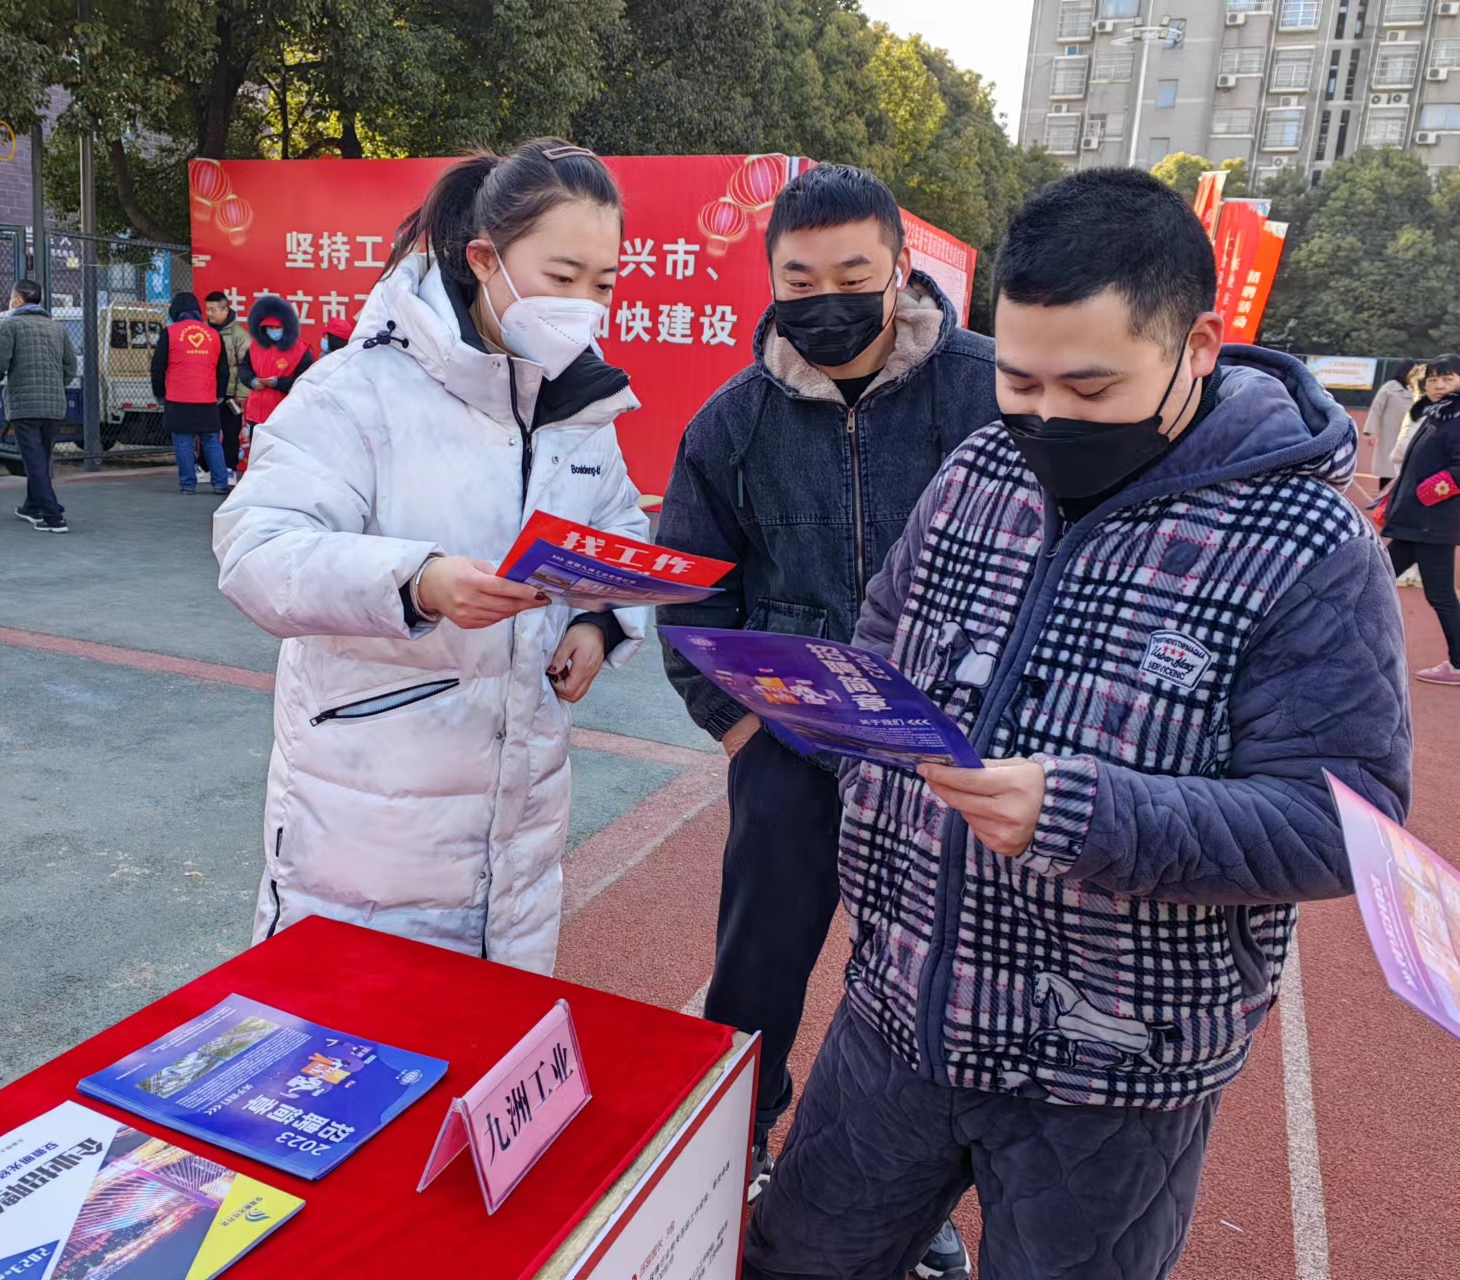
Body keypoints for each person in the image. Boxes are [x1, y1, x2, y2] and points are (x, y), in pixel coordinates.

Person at [743, 168, 1411, 1280]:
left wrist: (1082, 812)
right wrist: (849, 730)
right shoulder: (979, 469)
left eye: (1091, 387)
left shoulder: (1306, 546)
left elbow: (1341, 823)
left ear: (1197, 347)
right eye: (1017, 379)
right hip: (898, 1010)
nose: (1045, 417)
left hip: (1112, 1076)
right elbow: (883, 634)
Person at [656, 162, 998, 1258]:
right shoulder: (732, 422)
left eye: (854, 275)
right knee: (756, 962)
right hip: (790, 745)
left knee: (939, 975)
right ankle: (731, 1144)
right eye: (800, 281)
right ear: (771, 280)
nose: (827, 301)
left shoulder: (988, 393)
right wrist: (740, 726)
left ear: (900, 270)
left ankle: (920, 1201)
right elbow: (688, 586)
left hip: (953, 750)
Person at [214, 138, 647, 975]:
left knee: (492, 1036)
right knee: (353, 1034)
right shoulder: (359, 390)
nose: (584, 307)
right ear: (485, 260)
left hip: (519, 837)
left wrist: (599, 623)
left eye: (603, 285)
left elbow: (617, 527)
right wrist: (419, 582)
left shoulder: (580, 412)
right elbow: (257, 550)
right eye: (562, 277)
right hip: (369, 830)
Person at [1379, 353, 1460, 685]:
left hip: (1433, 524)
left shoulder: (1455, 417)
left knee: (1440, 595)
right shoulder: (1438, 413)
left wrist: (1426, 493)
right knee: (1376, 576)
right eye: (1433, 379)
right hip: (1416, 523)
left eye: (1447, 378)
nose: (1438, 385)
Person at [0, 278, 79, 533]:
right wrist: (55, 384)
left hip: (24, 404)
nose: (10, 301)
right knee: (40, 458)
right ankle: (32, 506)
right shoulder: (57, 328)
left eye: (11, 297)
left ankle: (53, 515)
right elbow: (71, 367)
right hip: (53, 405)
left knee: (34, 461)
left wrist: (1, 376)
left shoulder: (9, 326)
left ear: (18, 300)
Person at [151, 291, 229, 494]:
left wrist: (159, 392)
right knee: (211, 441)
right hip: (206, 397)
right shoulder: (213, 334)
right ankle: (220, 483)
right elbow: (223, 370)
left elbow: (158, 367)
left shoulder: (170, 333)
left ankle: (187, 485)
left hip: (178, 397)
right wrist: (219, 394)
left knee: (183, 441)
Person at [237, 294, 314, 473]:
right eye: (269, 327)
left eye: (277, 327)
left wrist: (279, 383)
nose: (273, 330)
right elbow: (244, 369)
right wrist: (252, 381)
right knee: (258, 456)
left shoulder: (301, 350)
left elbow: (305, 380)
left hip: (284, 414)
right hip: (257, 413)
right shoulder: (255, 347)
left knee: (283, 457)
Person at [206, 290, 251, 487]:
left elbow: (246, 366)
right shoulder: (204, 332)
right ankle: (206, 468)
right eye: (207, 309)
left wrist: (242, 392)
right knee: (207, 432)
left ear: (225, 310)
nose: (209, 314)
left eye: (213, 310)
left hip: (231, 394)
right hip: (208, 392)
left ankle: (229, 468)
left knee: (231, 433)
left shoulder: (239, 335)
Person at [1361, 360, 1416, 492]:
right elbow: (1376, 409)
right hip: (1389, 435)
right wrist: (1371, 432)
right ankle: (1383, 499)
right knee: (1388, 472)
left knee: (1408, 472)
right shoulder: (1390, 387)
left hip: (1411, 435)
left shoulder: (1419, 389)